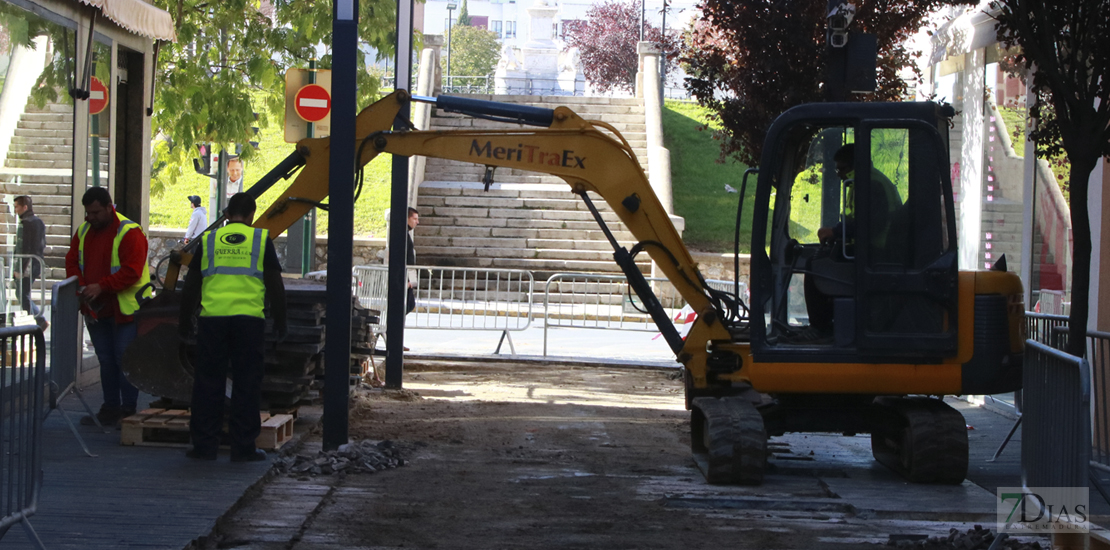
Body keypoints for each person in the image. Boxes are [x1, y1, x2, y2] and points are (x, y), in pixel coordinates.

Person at [180, 193, 287, 462]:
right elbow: (275, 284)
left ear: (226, 214)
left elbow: (191, 285)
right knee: (247, 383)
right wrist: (281, 321)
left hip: (212, 321)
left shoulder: (209, 240)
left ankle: (205, 446)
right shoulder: (261, 240)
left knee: (207, 383)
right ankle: (243, 448)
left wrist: (184, 321)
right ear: (252, 215)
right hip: (249, 322)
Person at [66, 187, 152, 427]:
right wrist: (83, 286)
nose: (90, 217)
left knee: (123, 359)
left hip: (124, 309)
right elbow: (72, 261)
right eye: (88, 213)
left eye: (95, 212)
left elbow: (132, 271)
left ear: (108, 207)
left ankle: (127, 409)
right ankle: (112, 407)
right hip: (97, 308)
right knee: (107, 359)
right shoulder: (84, 231)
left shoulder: (129, 232)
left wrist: (100, 287)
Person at [802, 143, 902, 338]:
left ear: (855, 164)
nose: (839, 174)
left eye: (842, 168)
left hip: (876, 253)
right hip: (870, 249)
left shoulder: (870, 185)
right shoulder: (866, 181)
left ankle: (819, 328)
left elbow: (870, 225)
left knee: (813, 265)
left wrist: (835, 232)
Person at [13, 195, 46, 326]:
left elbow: (24, 248)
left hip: (27, 264)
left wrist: (19, 269)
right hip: (35, 263)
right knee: (22, 293)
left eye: (17, 207)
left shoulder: (26, 223)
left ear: (24, 207)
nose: (15, 210)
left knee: (22, 294)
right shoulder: (38, 222)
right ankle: (37, 319)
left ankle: (38, 320)